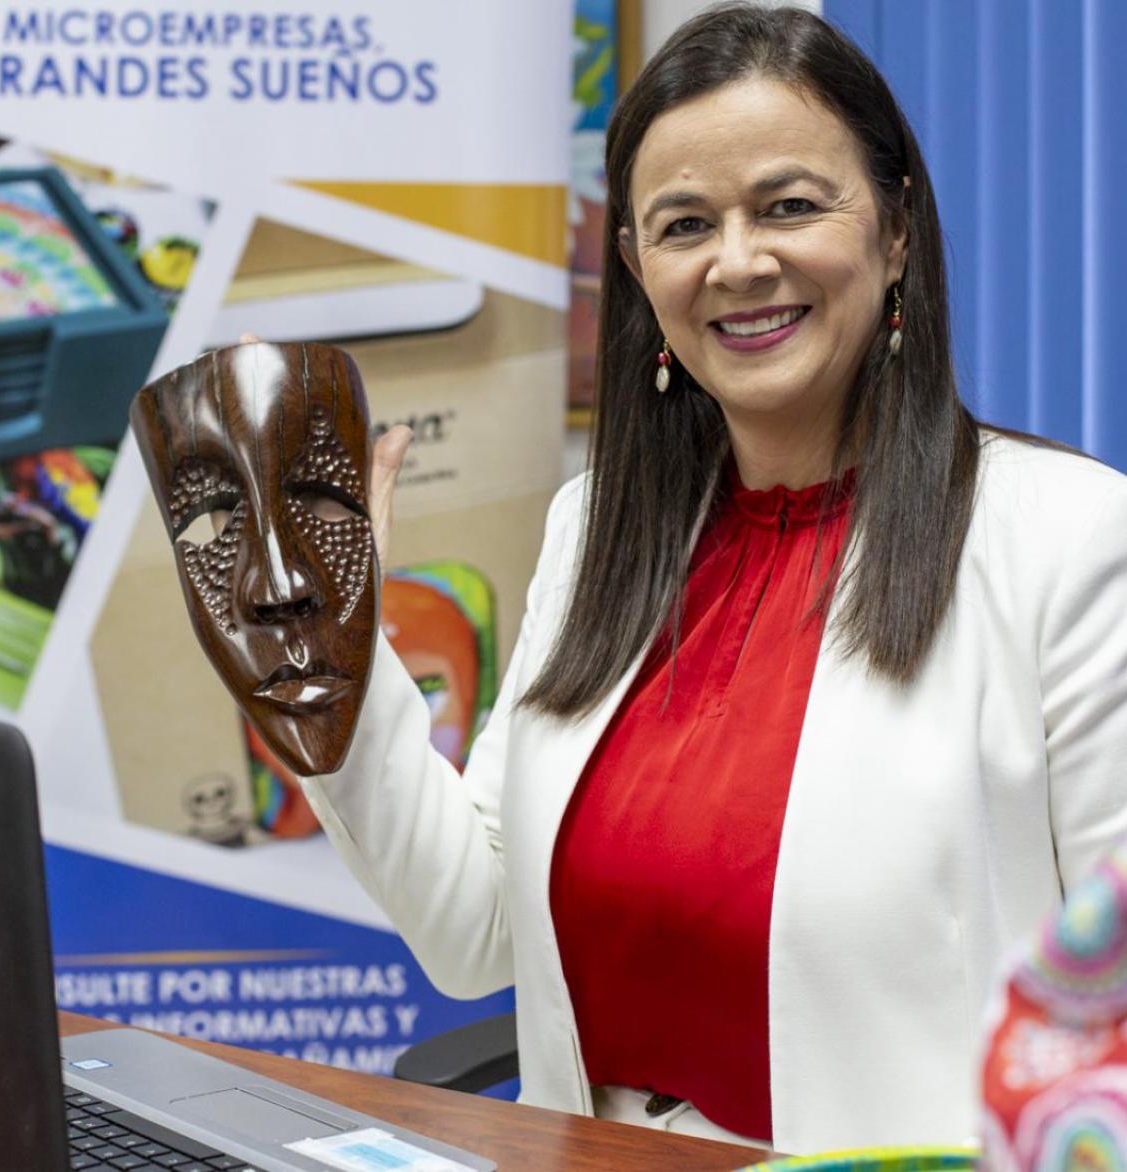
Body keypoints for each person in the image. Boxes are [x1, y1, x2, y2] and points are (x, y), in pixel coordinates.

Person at [294, 3, 1127, 1155]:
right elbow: (474, 930)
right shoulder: (595, 532)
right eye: (686, 224)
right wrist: (331, 649)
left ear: (893, 231)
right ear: (638, 272)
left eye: (788, 205)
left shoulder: (1067, 542)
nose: (738, 262)